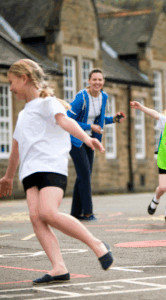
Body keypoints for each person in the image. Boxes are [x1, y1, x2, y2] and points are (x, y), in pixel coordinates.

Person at [0, 59, 113, 284]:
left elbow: (65, 122)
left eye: (12, 82)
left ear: (25, 78)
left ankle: (97, 245)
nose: (10, 87)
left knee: (48, 212)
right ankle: (58, 267)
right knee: (36, 217)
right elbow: (16, 147)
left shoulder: (48, 103)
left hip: (51, 166)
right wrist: (8, 177)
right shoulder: (23, 114)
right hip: (29, 172)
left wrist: (87, 138)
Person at [67, 68, 126, 221]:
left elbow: (98, 120)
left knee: (83, 175)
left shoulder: (103, 97)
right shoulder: (81, 98)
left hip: (91, 140)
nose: (97, 82)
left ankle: (75, 212)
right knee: (85, 174)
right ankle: (88, 213)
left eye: (100, 80)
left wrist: (112, 119)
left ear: (103, 82)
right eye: (94, 79)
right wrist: (89, 127)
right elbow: (68, 120)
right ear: (89, 81)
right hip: (75, 139)